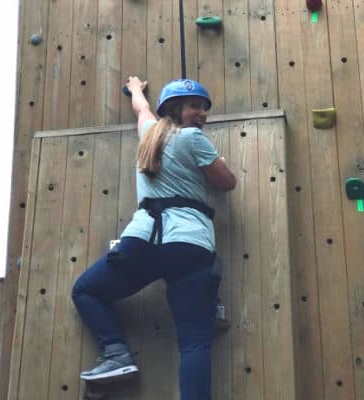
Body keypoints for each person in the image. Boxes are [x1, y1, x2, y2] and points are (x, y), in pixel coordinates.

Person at [71, 77, 236, 399]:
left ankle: (116, 352)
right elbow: (226, 183)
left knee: (86, 290)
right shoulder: (193, 139)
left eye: (203, 108)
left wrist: (135, 89)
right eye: (194, 107)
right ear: (176, 109)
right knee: (194, 342)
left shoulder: (148, 135)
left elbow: (142, 110)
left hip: (143, 239)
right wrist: (224, 165)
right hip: (190, 244)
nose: (202, 113)